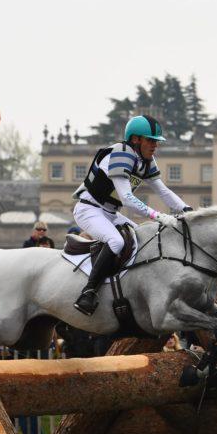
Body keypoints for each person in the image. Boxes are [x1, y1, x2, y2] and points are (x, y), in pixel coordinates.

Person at [71, 115, 190, 315]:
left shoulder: (145, 160)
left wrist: (187, 210)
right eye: (151, 140)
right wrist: (159, 216)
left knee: (143, 238)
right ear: (136, 139)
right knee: (116, 242)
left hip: (110, 213)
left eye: (156, 142)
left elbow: (163, 191)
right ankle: (88, 292)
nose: (155, 146)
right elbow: (126, 198)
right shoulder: (121, 153)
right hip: (88, 209)